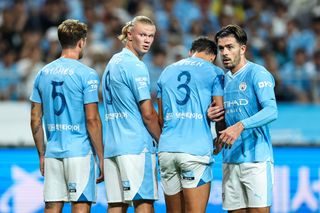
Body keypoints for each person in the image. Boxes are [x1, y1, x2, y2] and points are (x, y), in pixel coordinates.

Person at [30, 19, 104, 213]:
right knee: (79, 205)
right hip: (79, 151)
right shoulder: (87, 74)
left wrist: (42, 154)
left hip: (53, 151)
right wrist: (102, 156)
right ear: (82, 42)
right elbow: (92, 119)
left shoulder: (42, 74)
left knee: (52, 206)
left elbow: (35, 119)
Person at [207, 24, 278, 213]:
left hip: (256, 160)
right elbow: (225, 120)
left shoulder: (257, 73)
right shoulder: (221, 80)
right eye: (221, 48)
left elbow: (272, 111)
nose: (225, 53)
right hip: (230, 159)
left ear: (243, 48)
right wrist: (216, 125)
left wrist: (240, 126)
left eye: (230, 47)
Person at [157, 37, 225, 213]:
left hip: (167, 150)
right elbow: (219, 110)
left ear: (190, 52)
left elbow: (161, 117)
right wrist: (219, 140)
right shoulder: (214, 71)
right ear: (212, 57)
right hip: (195, 151)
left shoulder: (166, 71)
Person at [101, 16, 161, 213]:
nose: (147, 40)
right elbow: (148, 114)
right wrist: (162, 140)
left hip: (113, 147)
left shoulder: (111, 63)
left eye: (151, 36)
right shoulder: (136, 66)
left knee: (116, 205)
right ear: (129, 34)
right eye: (142, 34)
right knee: (143, 202)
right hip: (136, 147)